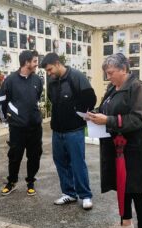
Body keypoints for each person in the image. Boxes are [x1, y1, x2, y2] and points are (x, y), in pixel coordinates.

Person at [87, 53, 142, 228]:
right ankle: (126, 225)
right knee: (122, 185)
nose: (108, 77)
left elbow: (137, 119)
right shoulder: (112, 88)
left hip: (133, 149)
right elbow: (106, 109)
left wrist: (107, 121)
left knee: (136, 189)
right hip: (117, 148)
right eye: (106, 74)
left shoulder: (137, 88)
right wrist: (94, 115)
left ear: (124, 69)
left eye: (111, 73)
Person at [41, 52, 96, 210]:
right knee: (61, 163)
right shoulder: (52, 82)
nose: (49, 73)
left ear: (58, 63)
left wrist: (77, 111)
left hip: (74, 130)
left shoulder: (77, 77)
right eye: (47, 71)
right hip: (57, 130)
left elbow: (90, 99)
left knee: (78, 163)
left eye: (50, 69)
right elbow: (53, 100)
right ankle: (69, 193)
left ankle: (85, 196)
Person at [0, 50, 43, 196]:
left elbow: (37, 98)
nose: (37, 64)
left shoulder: (37, 80)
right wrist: (5, 119)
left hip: (35, 127)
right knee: (15, 156)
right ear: (26, 62)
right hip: (17, 128)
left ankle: (30, 182)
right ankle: (11, 182)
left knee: (34, 156)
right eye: (35, 61)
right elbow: (1, 101)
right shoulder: (10, 80)